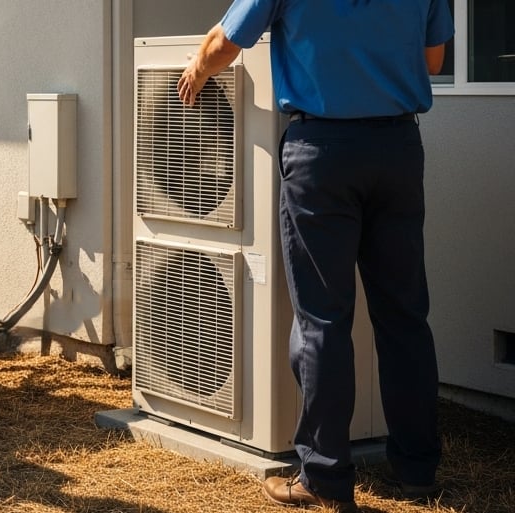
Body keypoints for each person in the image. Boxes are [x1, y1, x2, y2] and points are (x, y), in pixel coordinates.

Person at [177, 1, 453, 511]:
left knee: (323, 317)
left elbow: (227, 43)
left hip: (323, 152)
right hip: (397, 148)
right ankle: (417, 470)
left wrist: (198, 63)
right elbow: (432, 61)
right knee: (404, 316)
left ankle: (324, 477)